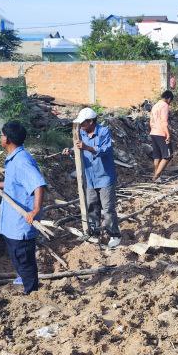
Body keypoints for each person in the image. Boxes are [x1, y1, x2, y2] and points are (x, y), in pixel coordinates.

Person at [0, 121, 47, 294]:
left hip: (21, 222)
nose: (0, 138)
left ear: (8, 139)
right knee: (16, 256)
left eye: (2, 135)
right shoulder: (14, 159)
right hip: (12, 222)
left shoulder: (22, 161)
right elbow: (13, 182)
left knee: (24, 260)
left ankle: (32, 292)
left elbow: (38, 185)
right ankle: (25, 282)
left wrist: (35, 210)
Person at [70, 106, 120, 249]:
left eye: (83, 123)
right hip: (90, 177)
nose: (81, 126)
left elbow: (105, 150)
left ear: (91, 122)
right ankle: (95, 232)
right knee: (92, 206)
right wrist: (71, 151)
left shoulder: (103, 132)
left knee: (108, 208)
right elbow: (79, 148)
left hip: (104, 177)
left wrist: (88, 148)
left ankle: (114, 235)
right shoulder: (81, 133)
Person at [149, 90, 174, 180]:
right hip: (161, 133)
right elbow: (164, 121)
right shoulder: (165, 106)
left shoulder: (155, 106)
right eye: (170, 101)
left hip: (153, 132)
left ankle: (156, 175)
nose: (170, 103)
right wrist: (168, 134)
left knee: (157, 156)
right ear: (169, 98)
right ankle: (156, 176)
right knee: (168, 156)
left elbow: (151, 120)